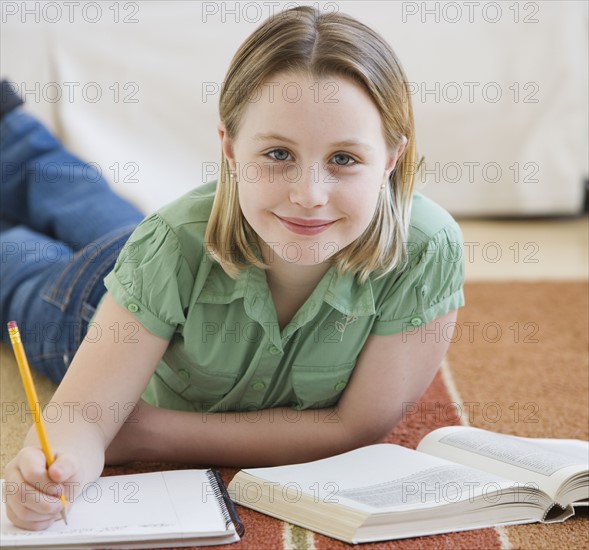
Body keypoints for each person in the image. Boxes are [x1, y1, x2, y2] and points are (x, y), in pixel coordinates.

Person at [2, 6, 465, 531]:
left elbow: (354, 427)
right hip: (89, 305)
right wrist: (58, 466)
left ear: (391, 160)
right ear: (229, 149)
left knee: (83, 204)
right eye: (277, 154)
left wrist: (145, 433)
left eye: (343, 159)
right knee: (17, 256)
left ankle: (11, 131)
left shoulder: (427, 248)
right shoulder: (172, 241)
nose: (308, 195)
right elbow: (83, 418)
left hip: (175, 251)